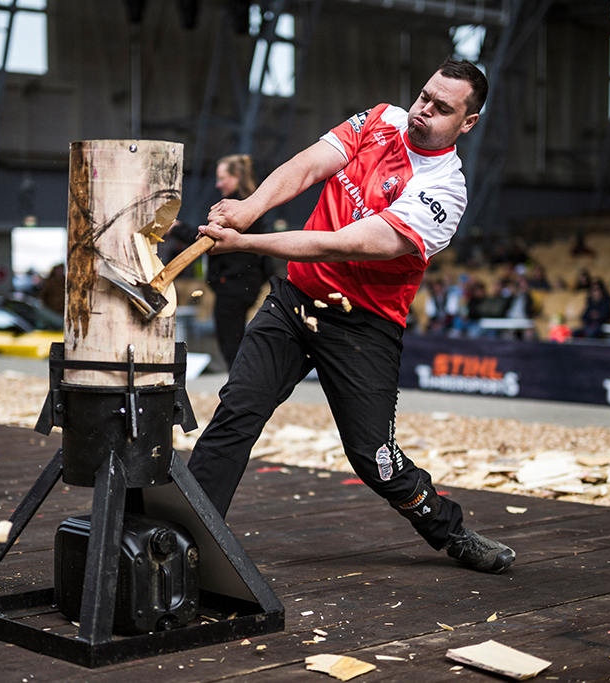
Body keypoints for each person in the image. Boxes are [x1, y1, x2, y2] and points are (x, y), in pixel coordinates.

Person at [187, 58, 515, 574]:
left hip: (363, 326)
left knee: (374, 458)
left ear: (467, 123)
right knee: (236, 413)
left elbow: (343, 244)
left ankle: (449, 531)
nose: (424, 110)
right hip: (295, 301)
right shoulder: (381, 118)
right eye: (424, 96)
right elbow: (308, 165)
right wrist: (249, 207)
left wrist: (247, 241)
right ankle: (186, 542)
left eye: (442, 108)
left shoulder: (445, 193)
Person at [171, 154, 272, 369]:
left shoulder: (234, 209)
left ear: (236, 177)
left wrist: (177, 229)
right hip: (246, 283)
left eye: (222, 178)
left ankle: (241, 383)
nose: (217, 184)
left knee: (231, 345)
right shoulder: (252, 205)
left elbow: (209, 238)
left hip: (233, 284)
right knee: (236, 340)